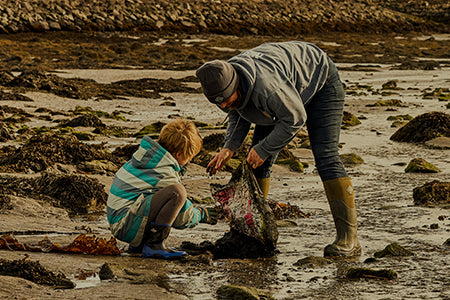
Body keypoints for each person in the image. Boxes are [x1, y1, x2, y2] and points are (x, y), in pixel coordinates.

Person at [196, 41, 361, 257]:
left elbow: (295, 118)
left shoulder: (267, 88)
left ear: (235, 85)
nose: (224, 106)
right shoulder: (224, 81)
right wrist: (229, 148)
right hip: (285, 92)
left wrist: (264, 149)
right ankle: (252, 231)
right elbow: (239, 110)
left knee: (326, 158)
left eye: (226, 100)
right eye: (218, 103)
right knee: (254, 163)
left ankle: (349, 239)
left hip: (320, 83)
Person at [107, 119, 217, 259]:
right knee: (177, 193)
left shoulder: (148, 159)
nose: (189, 162)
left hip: (121, 221)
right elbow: (181, 217)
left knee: (164, 195)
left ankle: (140, 244)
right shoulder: (162, 171)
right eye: (189, 157)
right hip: (125, 226)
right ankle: (154, 245)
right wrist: (201, 214)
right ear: (178, 154)